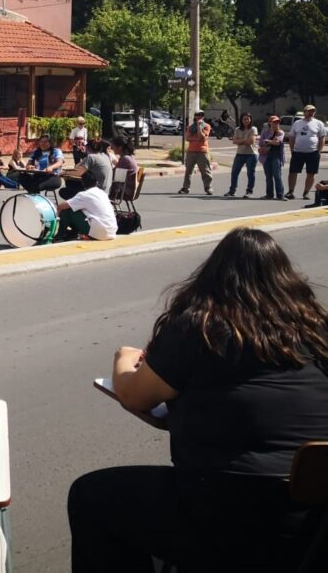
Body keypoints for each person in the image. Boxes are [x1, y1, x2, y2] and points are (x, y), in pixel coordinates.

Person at [67, 228, 328, 572]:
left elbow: (133, 395)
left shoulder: (202, 326)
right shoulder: (316, 329)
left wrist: (122, 357)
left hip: (223, 516)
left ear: (213, 277)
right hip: (311, 526)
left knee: (89, 496)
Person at [57, 171, 117, 241]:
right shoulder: (103, 193)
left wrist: (56, 218)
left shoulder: (84, 195)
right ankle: (73, 234)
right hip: (112, 231)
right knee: (76, 208)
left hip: (99, 233)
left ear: (82, 183)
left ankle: (60, 236)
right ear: (97, 183)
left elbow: (61, 206)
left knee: (67, 210)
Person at [286, 104, 326, 200]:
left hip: (312, 152)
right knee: (293, 172)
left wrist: (319, 151)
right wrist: (292, 150)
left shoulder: (318, 123)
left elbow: (322, 138)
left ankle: (306, 193)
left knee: (311, 173)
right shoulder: (297, 123)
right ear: (304, 112)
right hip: (298, 152)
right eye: (309, 111)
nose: (311, 113)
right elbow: (291, 137)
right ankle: (291, 191)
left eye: (312, 111)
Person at [179, 110, 213, 195]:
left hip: (202, 151)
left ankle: (208, 187)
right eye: (197, 115)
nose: (199, 116)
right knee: (188, 171)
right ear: (195, 116)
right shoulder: (190, 127)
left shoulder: (206, 126)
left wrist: (199, 126)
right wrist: (197, 139)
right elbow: (188, 138)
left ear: (203, 117)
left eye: (201, 115)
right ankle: (185, 188)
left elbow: (202, 137)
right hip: (191, 151)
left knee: (205, 171)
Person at [225, 113, 258, 198]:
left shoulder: (253, 129)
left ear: (250, 120)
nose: (246, 121)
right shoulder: (237, 129)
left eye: (248, 119)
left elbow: (251, 142)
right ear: (241, 120)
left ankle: (249, 191)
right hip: (240, 154)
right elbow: (234, 141)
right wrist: (244, 140)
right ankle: (232, 191)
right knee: (234, 172)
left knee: (250, 173)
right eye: (244, 119)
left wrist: (240, 141)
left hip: (251, 154)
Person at [259, 115, 287, 201]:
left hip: (276, 156)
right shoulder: (265, 132)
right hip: (266, 156)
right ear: (269, 123)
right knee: (268, 176)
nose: (276, 124)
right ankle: (269, 194)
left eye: (277, 122)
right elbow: (261, 143)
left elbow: (278, 142)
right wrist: (269, 142)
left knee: (277, 175)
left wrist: (268, 141)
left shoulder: (280, 132)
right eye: (274, 122)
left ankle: (280, 195)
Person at [110, 137, 139, 202]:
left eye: (113, 146)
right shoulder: (130, 157)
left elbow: (113, 175)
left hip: (124, 191)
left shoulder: (125, 159)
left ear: (120, 147)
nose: (112, 148)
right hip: (129, 190)